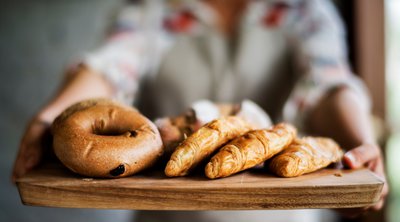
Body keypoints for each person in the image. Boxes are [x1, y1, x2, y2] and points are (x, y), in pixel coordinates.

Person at [12, 0, 388, 221]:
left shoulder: (303, 9)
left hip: (280, 217)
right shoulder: (153, 10)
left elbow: (326, 86)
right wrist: (55, 114)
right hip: (169, 217)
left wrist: (360, 140)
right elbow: (110, 69)